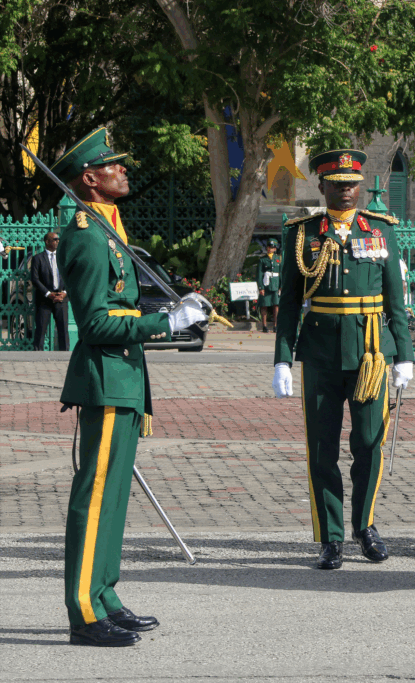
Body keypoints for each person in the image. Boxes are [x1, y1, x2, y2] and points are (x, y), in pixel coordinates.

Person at [52, 127, 207, 646]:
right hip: (104, 379)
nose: (124, 171)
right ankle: (83, 612)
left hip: (124, 377)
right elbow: (95, 323)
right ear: (90, 178)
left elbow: (121, 307)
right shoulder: (87, 234)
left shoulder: (107, 227)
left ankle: (104, 596)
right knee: (95, 497)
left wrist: (170, 313)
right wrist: (165, 326)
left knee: (115, 497)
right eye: (114, 166)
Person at [273, 149, 414, 570]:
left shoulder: (382, 229)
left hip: (371, 352)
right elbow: (288, 300)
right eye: (337, 185)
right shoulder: (303, 232)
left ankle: (364, 525)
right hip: (320, 352)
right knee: (322, 448)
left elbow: (395, 300)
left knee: (369, 445)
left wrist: (404, 354)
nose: (347, 191)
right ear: (322, 187)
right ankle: (331, 536)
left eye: (352, 184)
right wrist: (282, 358)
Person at [30, 231, 70, 350]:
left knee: (63, 329)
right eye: (55, 239)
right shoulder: (38, 258)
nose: (58, 241)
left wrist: (64, 293)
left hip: (61, 298)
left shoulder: (63, 258)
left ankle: (64, 355)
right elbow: (35, 279)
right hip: (44, 300)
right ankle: (38, 354)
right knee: (41, 329)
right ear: (47, 242)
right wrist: (48, 294)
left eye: (58, 239)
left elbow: (70, 276)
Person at [257, 238, 282, 333]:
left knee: (276, 305)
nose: (269, 249)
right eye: (268, 247)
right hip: (266, 284)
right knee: (264, 305)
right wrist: (261, 287)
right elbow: (259, 274)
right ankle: (264, 326)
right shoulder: (263, 260)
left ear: (275, 249)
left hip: (275, 284)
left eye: (271, 247)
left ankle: (275, 325)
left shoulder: (279, 258)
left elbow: (281, 273)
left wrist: (281, 285)